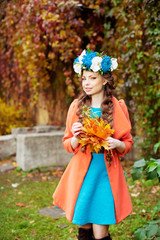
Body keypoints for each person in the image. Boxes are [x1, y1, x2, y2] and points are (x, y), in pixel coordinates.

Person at [53, 49, 133, 240]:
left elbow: (127, 143)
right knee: (84, 226)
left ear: (104, 80)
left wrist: (117, 144)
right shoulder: (77, 107)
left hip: (105, 174)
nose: (86, 83)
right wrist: (75, 139)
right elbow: (67, 142)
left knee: (100, 230)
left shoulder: (117, 107)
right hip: (82, 174)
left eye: (92, 78)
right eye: (84, 79)